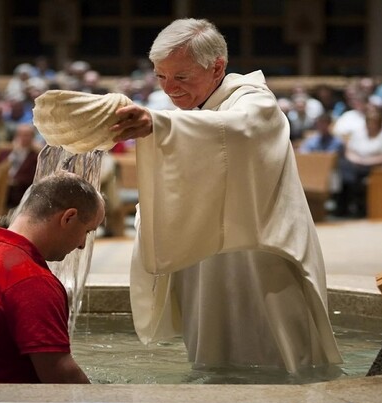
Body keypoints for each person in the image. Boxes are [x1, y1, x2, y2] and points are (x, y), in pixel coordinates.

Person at [110, 18, 342, 375]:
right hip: (204, 254)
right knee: (211, 359)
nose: (169, 89)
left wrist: (160, 124)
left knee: (276, 364)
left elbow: (238, 130)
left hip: (258, 254)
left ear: (217, 67)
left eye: (181, 76)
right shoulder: (190, 111)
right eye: (161, 76)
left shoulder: (253, 100)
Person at [0, 172, 104, 383]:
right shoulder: (31, 280)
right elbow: (60, 377)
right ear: (68, 218)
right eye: (87, 231)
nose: (82, 245)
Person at [0, 123, 40, 208]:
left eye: (26, 135)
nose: (23, 138)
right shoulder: (5, 153)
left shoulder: (35, 156)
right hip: (0, 187)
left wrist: (14, 181)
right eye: (20, 135)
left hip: (19, 191)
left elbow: (33, 177)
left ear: (32, 138)